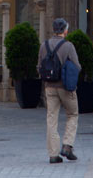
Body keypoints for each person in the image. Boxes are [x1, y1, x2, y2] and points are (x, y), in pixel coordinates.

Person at [37, 18, 80, 165]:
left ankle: (53, 154)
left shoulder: (44, 46)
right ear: (65, 30)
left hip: (49, 87)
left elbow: (39, 66)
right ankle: (67, 145)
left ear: (53, 29)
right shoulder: (68, 46)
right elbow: (77, 66)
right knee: (72, 114)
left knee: (51, 119)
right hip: (65, 87)